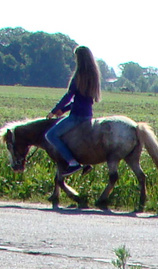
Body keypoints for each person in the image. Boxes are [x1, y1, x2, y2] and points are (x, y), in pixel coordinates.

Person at [45, 45, 101, 175]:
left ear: (79, 59)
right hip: (87, 116)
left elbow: (69, 96)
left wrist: (54, 111)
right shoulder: (93, 76)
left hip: (76, 116)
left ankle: (72, 163)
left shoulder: (78, 76)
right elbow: (83, 100)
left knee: (51, 135)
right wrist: (63, 110)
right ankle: (85, 162)